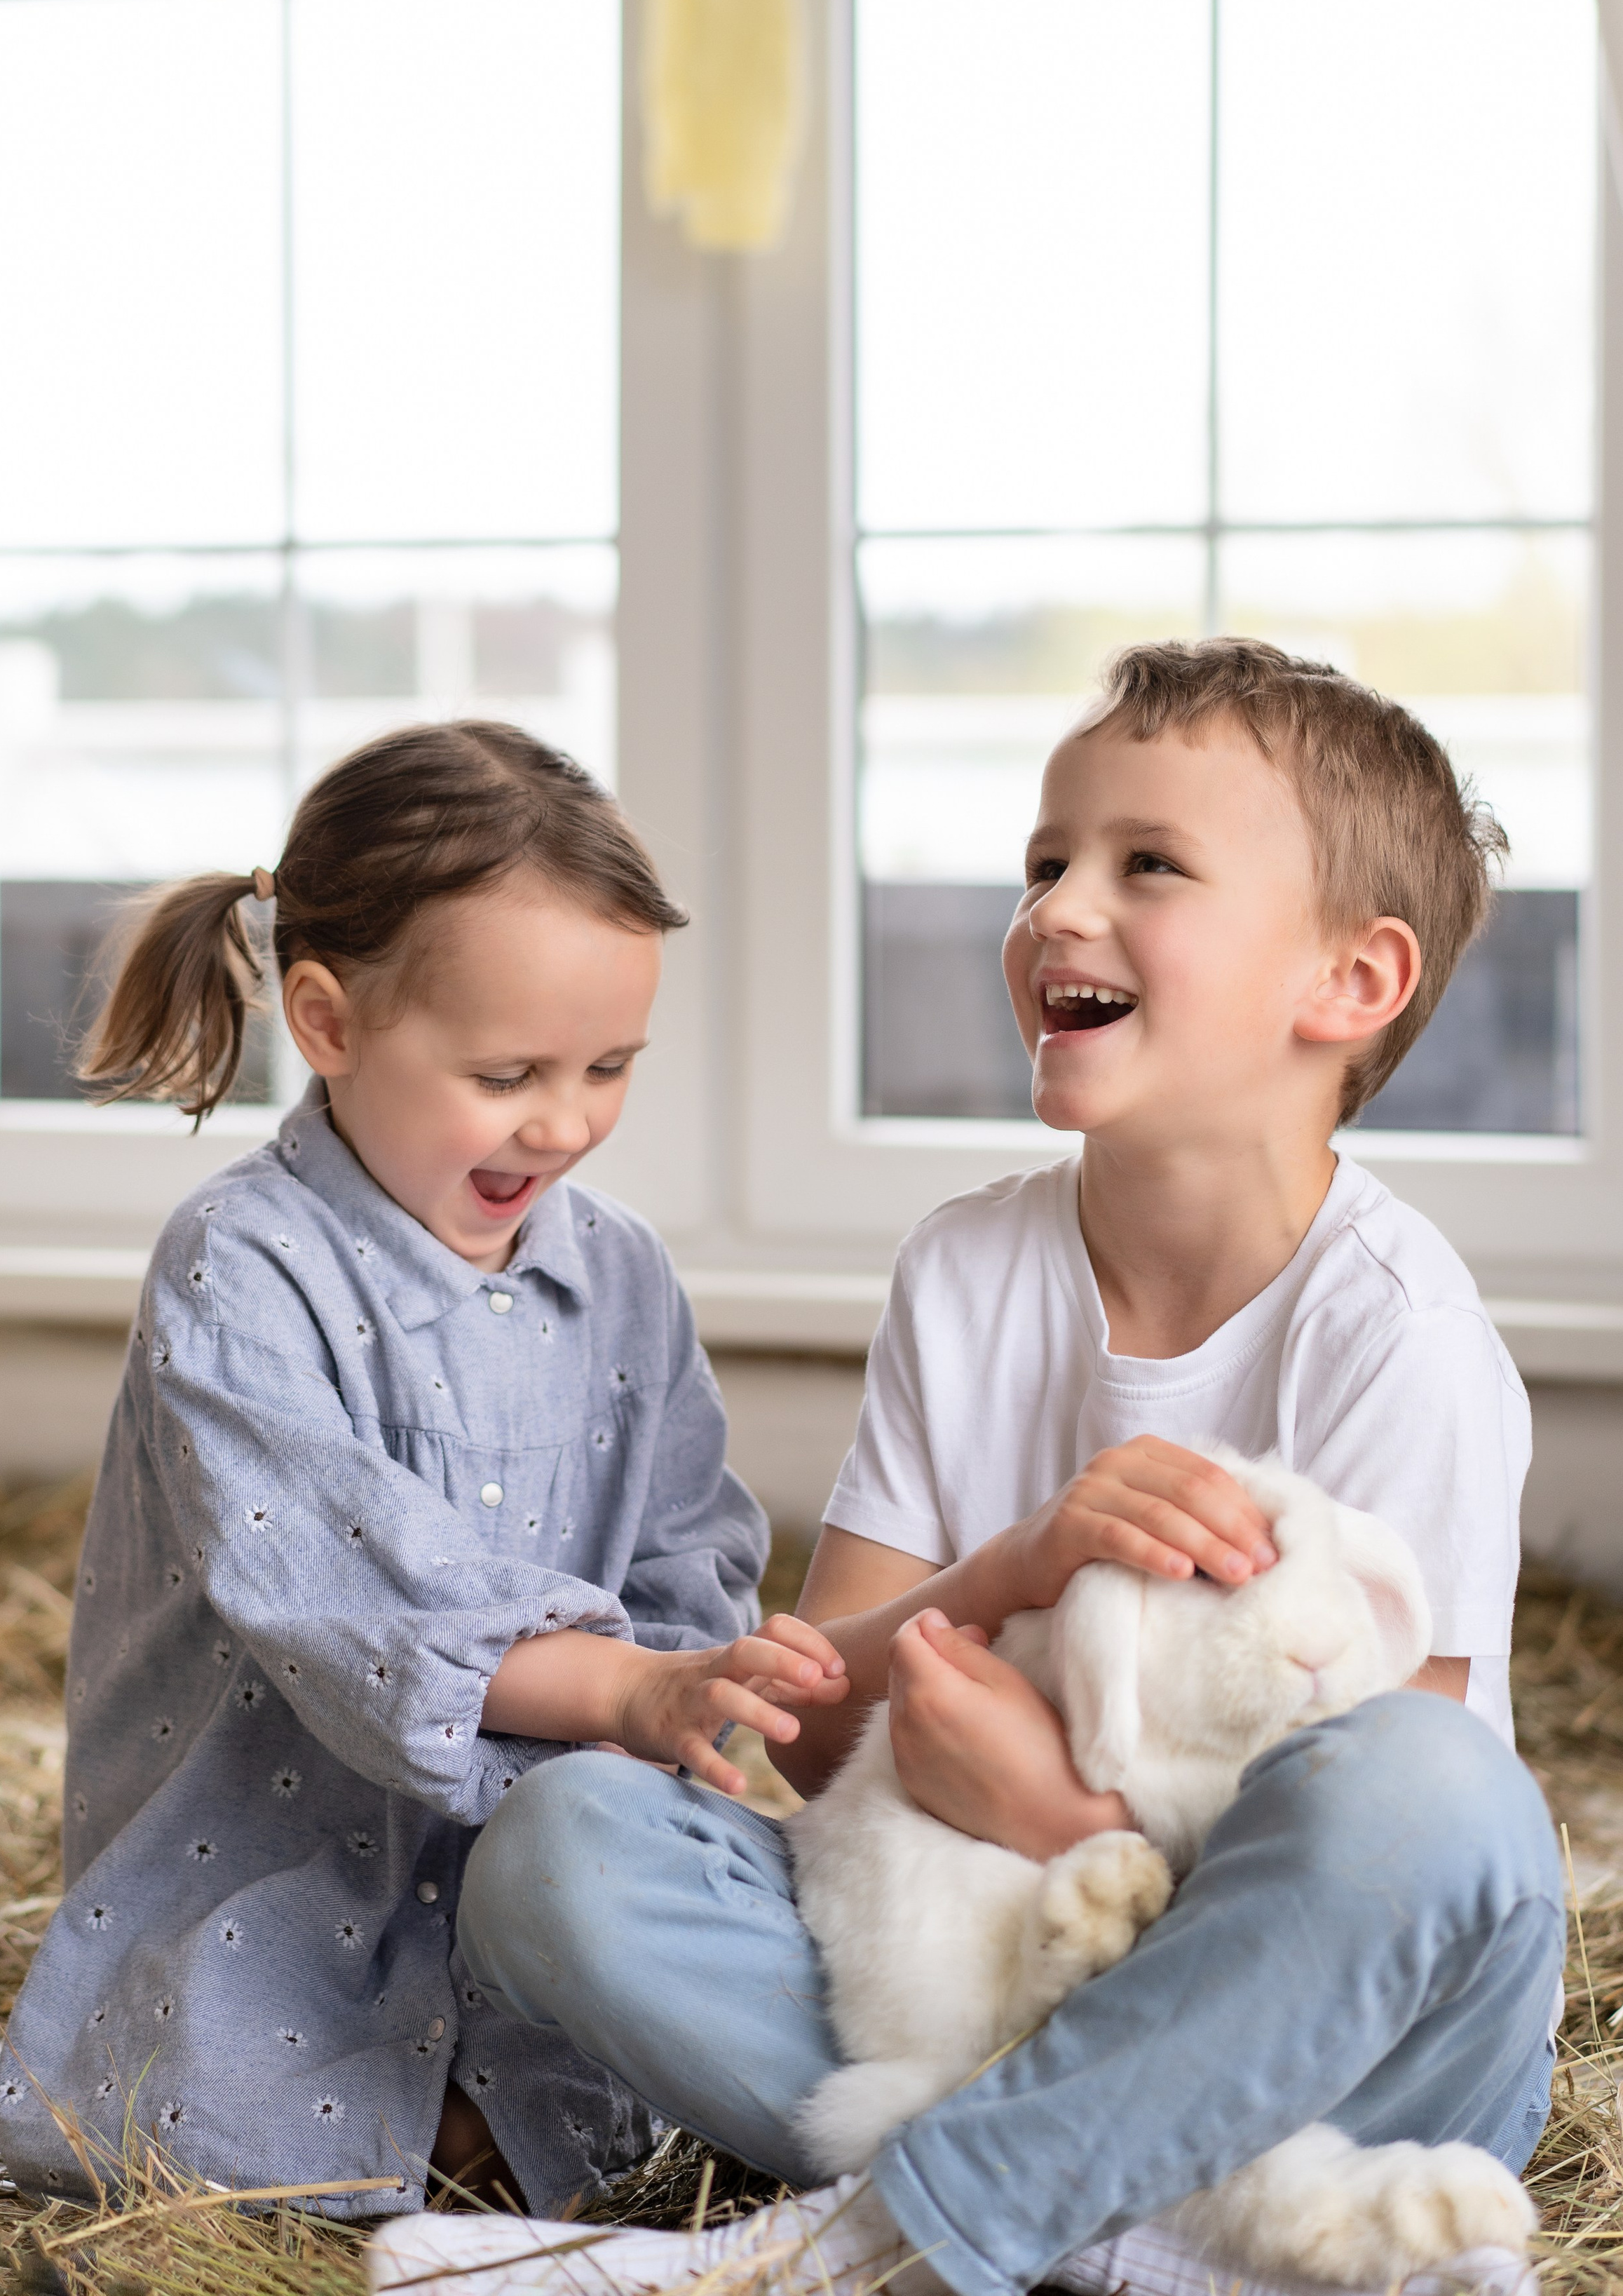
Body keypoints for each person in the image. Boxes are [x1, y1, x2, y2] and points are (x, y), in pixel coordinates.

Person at [401, 640, 1563, 2296]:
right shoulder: (966, 1271)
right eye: (1044, 862)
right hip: (967, 1978)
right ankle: (1163, 2246)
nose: (1055, 909)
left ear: (1349, 984)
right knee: (564, 1844)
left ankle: (881, 2240)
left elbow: (1376, 1855)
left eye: (1143, 864)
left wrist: (1041, 1801)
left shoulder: (1400, 1336)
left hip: (1352, 2078)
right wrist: (1014, 1567)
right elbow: (810, 1726)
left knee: (1442, 1797)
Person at [0, 720, 849, 2220]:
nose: (565, 1121)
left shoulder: (623, 1277)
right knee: (254, 2108)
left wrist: (680, 1691)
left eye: (608, 1068)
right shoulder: (241, 1266)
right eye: (507, 1070)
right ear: (325, 1020)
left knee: (676, 1972)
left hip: (540, 1849)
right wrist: (627, 1687)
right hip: (278, 1852)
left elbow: (686, 1555)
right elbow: (341, 1593)